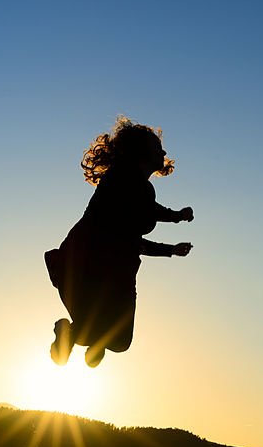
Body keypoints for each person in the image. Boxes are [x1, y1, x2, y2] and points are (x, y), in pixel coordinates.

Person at [45, 116, 194, 368]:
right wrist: (176, 216)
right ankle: (85, 338)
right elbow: (143, 212)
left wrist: (171, 249)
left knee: (121, 342)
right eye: (158, 148)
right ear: (141, 153)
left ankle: (88, 340)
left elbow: (133, 242)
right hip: (93, 265)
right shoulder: (121, 178)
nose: (165, 151)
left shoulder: (137, 188)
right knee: (111, 334)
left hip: (110, 269)